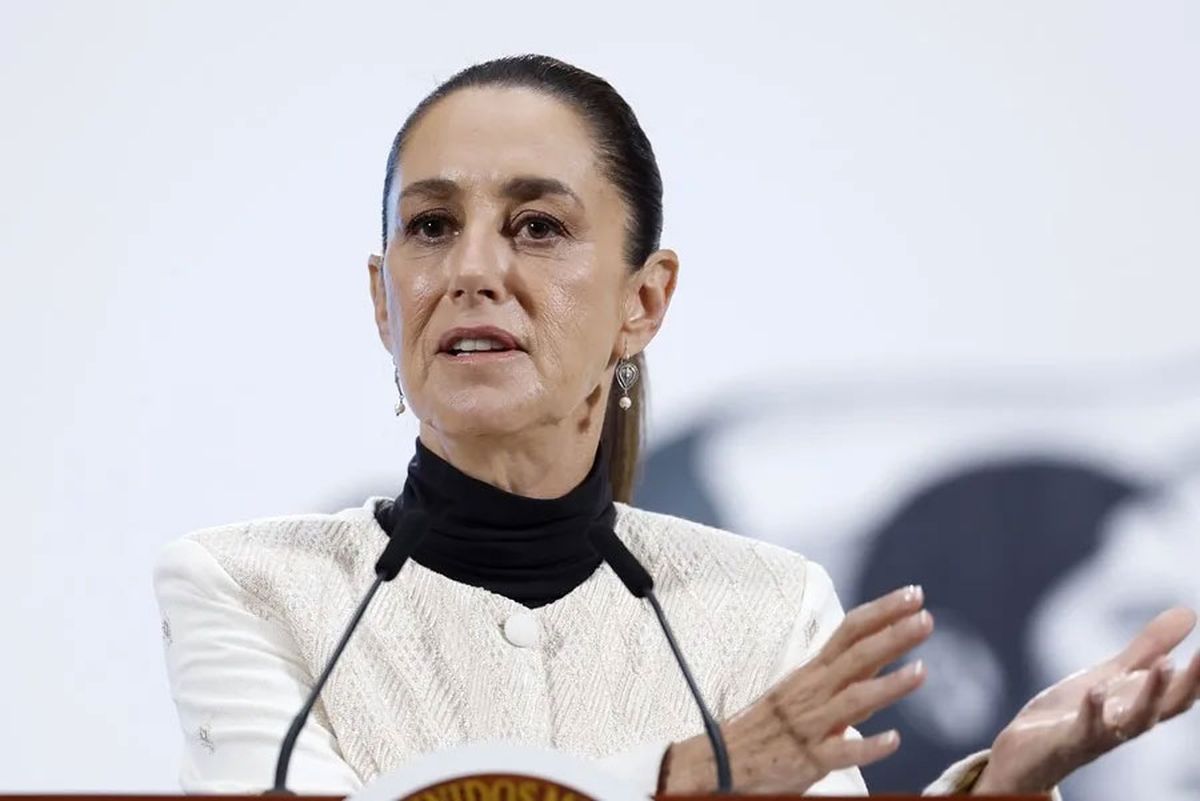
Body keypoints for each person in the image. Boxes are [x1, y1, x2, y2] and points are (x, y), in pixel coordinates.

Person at [153, 55, 1200, 797]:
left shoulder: (766, 607)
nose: (472, 270)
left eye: (537, 226)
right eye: (431, 226)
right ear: (386, 300)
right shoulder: (249, 587)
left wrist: (999, 791)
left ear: (642, 303)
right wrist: (685, 779)